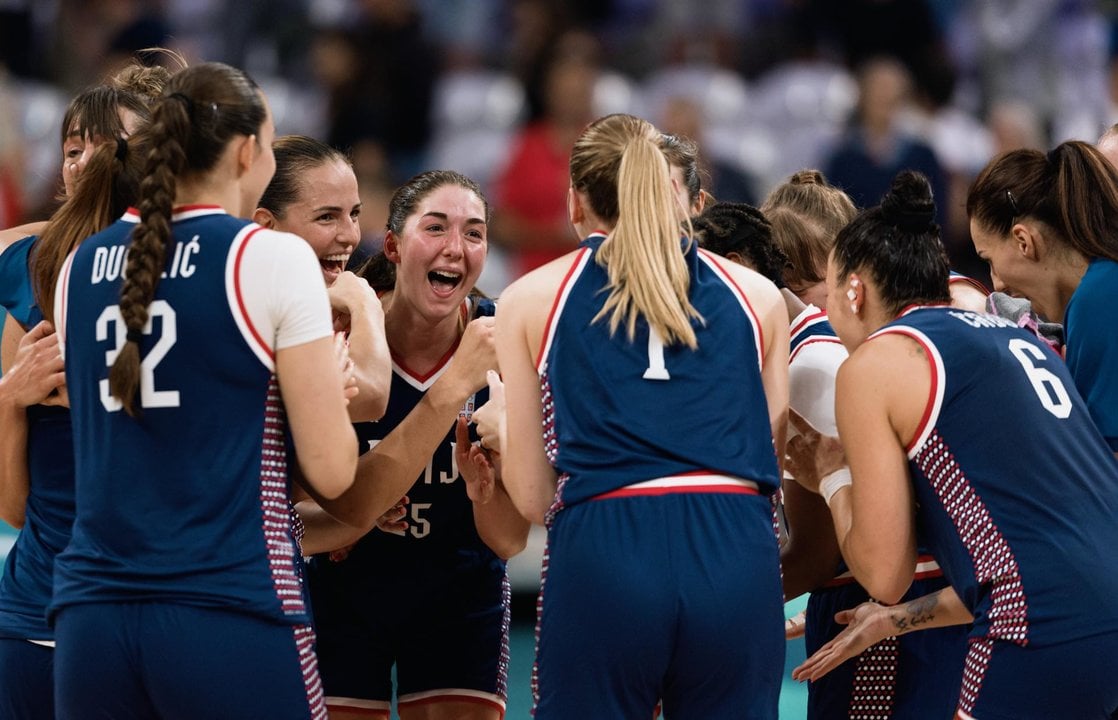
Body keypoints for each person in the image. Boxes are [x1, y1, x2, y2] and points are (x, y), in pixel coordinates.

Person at [51, 61, 357, 719]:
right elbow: (334, 472)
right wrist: (327, 382)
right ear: (248, 151)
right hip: (225, 608)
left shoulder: (77, 266)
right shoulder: (269, 258)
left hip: (91, 620)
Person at [489, 113, 790, 719]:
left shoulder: (528, 298)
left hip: (607, 542)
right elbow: (771, 454)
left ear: (575, 201)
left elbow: (528, 494)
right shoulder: (758, 296)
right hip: (735, 546)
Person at [788, 170, 1118, 718]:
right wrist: (893, 622)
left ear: (854, 291)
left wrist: (830, 474)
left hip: (1037, 624)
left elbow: (885, 575)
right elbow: (1036, 544)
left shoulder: (878, 360)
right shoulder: (1019, 337)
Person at [696, 197, 969, 719]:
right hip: (892, 604)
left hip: (883, 617)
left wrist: (704, 617)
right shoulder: (811, 353)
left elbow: (818, 553)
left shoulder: (813, 365)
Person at [299, 169, 528, 720]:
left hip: (461, 589)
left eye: (474, 233)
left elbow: (509, 541)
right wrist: (358, 511)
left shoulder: (505, 338)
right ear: (396, 247)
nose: (456, 247)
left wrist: (483, 491)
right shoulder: (337, 330)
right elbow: (286, 506)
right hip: (343, 592)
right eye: (437, 228)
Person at [0, 62, 175, 720]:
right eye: (72, 149)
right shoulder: (29, 267)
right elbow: (14, 506)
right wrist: (10, 398)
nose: (85, 163)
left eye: (106, 147)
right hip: (42, 599)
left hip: (167, 599)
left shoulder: (201, 266)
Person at [967, 140, 1118, 454]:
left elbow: (1105, 466)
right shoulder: (1100, 288)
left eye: (990, 260)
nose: (996, 285)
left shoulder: (1099, 300)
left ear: (1024, 241)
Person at [253, 134, 391, 422]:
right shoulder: (256, 314)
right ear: (265, 226)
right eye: (326, 217)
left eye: (354, 214)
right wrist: (365, 304)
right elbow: (371, 396)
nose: (351, 235)